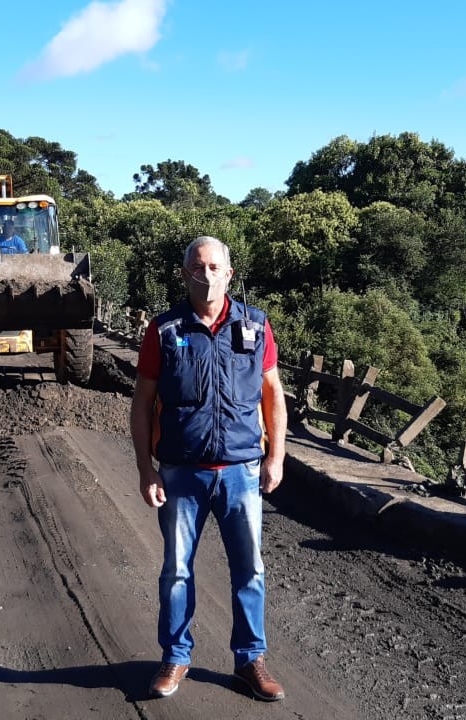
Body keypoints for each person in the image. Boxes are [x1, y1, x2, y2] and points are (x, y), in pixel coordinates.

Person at [130, 235, 288, 701]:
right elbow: (142, 403)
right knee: (176, 571)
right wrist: (145, 470)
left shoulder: (256, 325)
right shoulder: (164, 330)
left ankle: (250, 660)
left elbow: (273, 395)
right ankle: (175, 657)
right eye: (198, 267)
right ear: (185, 275)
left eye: (215, 267)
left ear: (229, 274)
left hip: (241, 472)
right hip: (182, 473)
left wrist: (276, 457)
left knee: (250, 570)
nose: (207, 275)